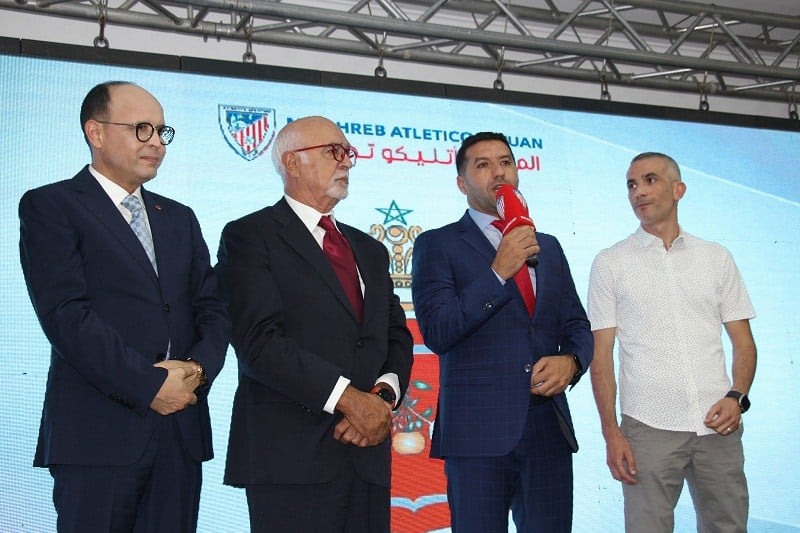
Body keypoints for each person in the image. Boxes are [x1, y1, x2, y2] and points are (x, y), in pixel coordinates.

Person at [18, 81, 231, 532]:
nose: (156, 143)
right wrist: (150, 385)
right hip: (98, 437)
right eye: (141, 129)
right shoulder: (51, 205)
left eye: (161, 132)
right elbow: (66, 316)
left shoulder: (180, 217)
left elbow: (212, 309)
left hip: (179, 434)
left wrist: (197, 371)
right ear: (95, 132)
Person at [216, 115, 414, 533]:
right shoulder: (249, 236)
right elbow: (258, 343)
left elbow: (395, 334)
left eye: (349, 153)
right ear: (292, 162)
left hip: (366, 453)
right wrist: (349, 400)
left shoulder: (370, 249)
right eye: (333, 152)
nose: (347, 162)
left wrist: (381, 398)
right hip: (290, 459)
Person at [411, 131, 593, 532]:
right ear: (462, 183)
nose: (499, 172)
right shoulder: (437, 244)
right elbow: (438, 331)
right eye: (483, 164)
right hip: (477, 435)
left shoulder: (548, 246)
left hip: (547, 432)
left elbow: (576, 324)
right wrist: (497, 272)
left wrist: (572, 361)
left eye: (506, 162)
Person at [588, 152, 757, 532]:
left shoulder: (716, 257)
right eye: (631, 185)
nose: (638, 192)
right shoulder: (611, 262)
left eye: (650, 180)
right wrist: (611, 432)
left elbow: (744, 343)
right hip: (647, 427)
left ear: (678, 189)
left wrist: (738, 396)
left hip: (719, 426)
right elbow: (601, 356)